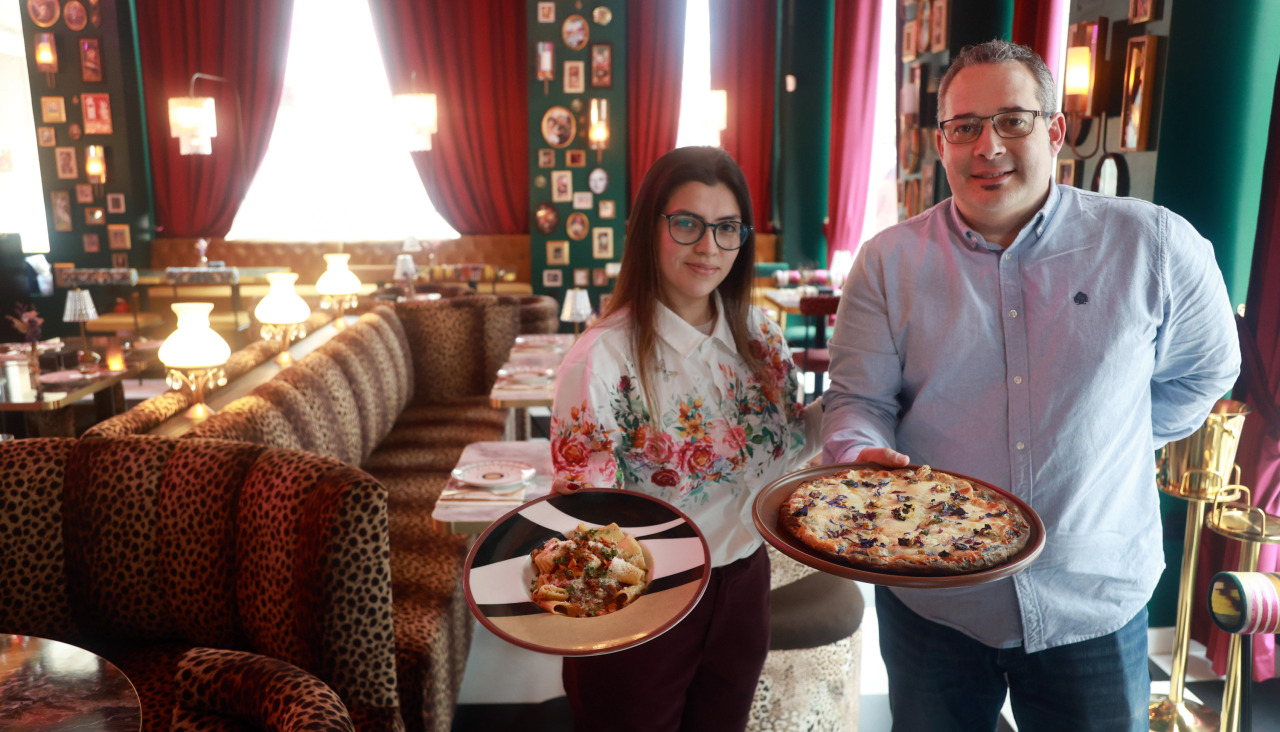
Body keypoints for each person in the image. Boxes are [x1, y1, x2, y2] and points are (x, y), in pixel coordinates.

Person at [822, 40, 1240, 732]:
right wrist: (861, 456)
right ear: (942, 142)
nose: (989, 146)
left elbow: (1206, 373)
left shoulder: (1156, 246)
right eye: (966, 127)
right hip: (936, 598)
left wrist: (1118, 438)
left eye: (1013, 120)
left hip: (1092, 600)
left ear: (1055, 130)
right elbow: (858, 403)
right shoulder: (887, 263)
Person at [549, 145, 821, 731]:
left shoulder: (760, 336)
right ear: (648, 227)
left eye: (727, 229)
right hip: (646, 593)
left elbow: (789, 442)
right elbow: (587, 516)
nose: (709, 247)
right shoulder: (602, 360)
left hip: (745, 581)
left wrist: (862, 403)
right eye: (688, 224)